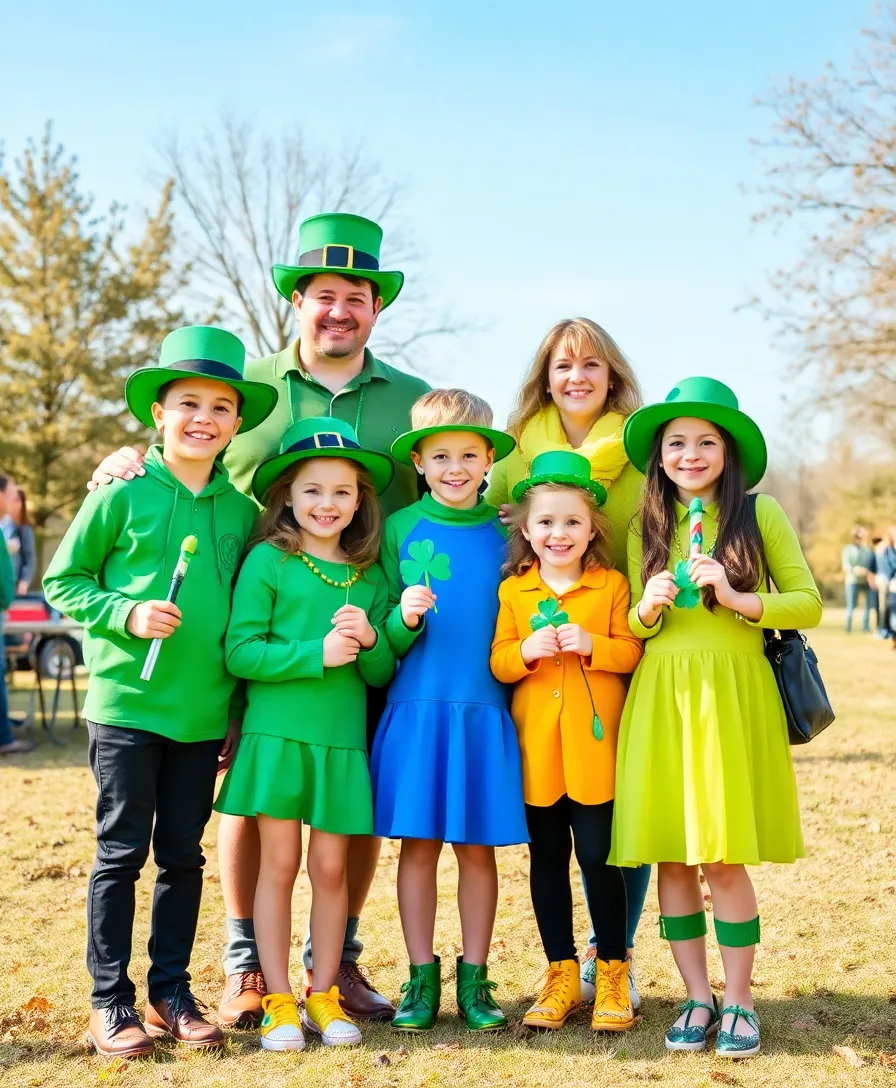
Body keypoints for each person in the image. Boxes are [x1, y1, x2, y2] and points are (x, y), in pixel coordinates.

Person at [89, 213, 430, 1026]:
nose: (339, 310)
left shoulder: (412, 400)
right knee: (248, 802)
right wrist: (123, 460)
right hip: (250, 634)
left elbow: (458, 483)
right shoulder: (254, 392)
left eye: (357, 297)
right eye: (324, 295)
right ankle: (249, 964)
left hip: (366, 631)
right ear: (298, 301)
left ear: (375, 308)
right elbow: (187, 458)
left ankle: (335, 961)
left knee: (353, 809)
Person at [43, 326, 277, 1058]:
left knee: (183, 856)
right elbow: (63, 581)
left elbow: (245, 618)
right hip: (126, 706)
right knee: (120, 853)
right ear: (159, 415)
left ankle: (171, 991)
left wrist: (237, 707)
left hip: (204, 712)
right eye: (187, 404)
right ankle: (108, 1000)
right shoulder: (122, 491)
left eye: (218, 407)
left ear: (236, 423)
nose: (202, 418)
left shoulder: (242, 514)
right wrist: (126, 612)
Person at [610, 377, 822, 1058]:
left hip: (732, 695)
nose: (690, 454)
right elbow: (628, 630)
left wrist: (738, 596)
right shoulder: (642, 524)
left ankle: (740, 999)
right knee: (673, 855)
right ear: (659, 456)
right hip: (661, 697)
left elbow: (808, 603)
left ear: (727, 453)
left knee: (722, 856)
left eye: (706, 442)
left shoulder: (760, 517)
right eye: (677, 443)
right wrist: (646, 606)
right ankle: (695, 998)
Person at [215, 416, 396, 1051]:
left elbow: (378, 671)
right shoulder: (269, 561)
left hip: (340, 742)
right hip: (276, 736)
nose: (327, 504)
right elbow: (240, 652)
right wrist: (315, 652)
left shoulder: (370, 574)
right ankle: (277, 999)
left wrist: (374, 641)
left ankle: (324, 993)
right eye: (313, 491)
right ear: (288, 496)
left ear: (360, 500)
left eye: (342, 492)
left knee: (330, 868)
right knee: (280, 865)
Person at [484, 317, 650, 1007]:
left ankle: (612, 962)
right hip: (539, 734)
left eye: (590, 365)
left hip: (636, 628)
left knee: (611, 844)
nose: (575, 377)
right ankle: (559, 971)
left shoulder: (639, 450)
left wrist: (602, 643)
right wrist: (525, 650)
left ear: (612, 375)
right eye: (561, 366)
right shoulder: (520, 455)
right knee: (548, 856)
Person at [370, 390, 528, 1033]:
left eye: (468, 453)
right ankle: (418, 977)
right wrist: (403, 620)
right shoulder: (400, 529)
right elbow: (381, 631)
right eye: (440, 455)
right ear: (420, 461)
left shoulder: (511, 532)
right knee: (417, 847)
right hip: (417, 707)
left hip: (484, 710)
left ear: (489, 456)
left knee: (477, 849)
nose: (455, 467)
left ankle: (475, 977)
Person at [0, 471, 36, 755]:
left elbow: (27, 560)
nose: (15, 502)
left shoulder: (19, 528)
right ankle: (5, 738)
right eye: (11, 495)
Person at [1, 486, 37, 596]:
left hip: (12, 585)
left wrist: (24, 582)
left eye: (17, 500)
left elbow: (29, 558)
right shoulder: (3, 524)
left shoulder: (24, 529)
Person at [841, 526, 876, 633]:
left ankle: (866, 626)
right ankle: (848, 626)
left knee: (867, 606)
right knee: (851, 605)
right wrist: (857, 570)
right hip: (852, 581)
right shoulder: (848, 549)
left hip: (866, 581)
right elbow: (846, 566)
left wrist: (869, 574)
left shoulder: (868, 550)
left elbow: (871, 566)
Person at [874, 531, 895, 639]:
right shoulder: (885, 549)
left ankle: (885, 629)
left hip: (884, 580)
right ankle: (882, 630)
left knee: (885, 607)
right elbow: (890, 565)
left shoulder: (881, 549)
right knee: (884, 607)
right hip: (885, 581)